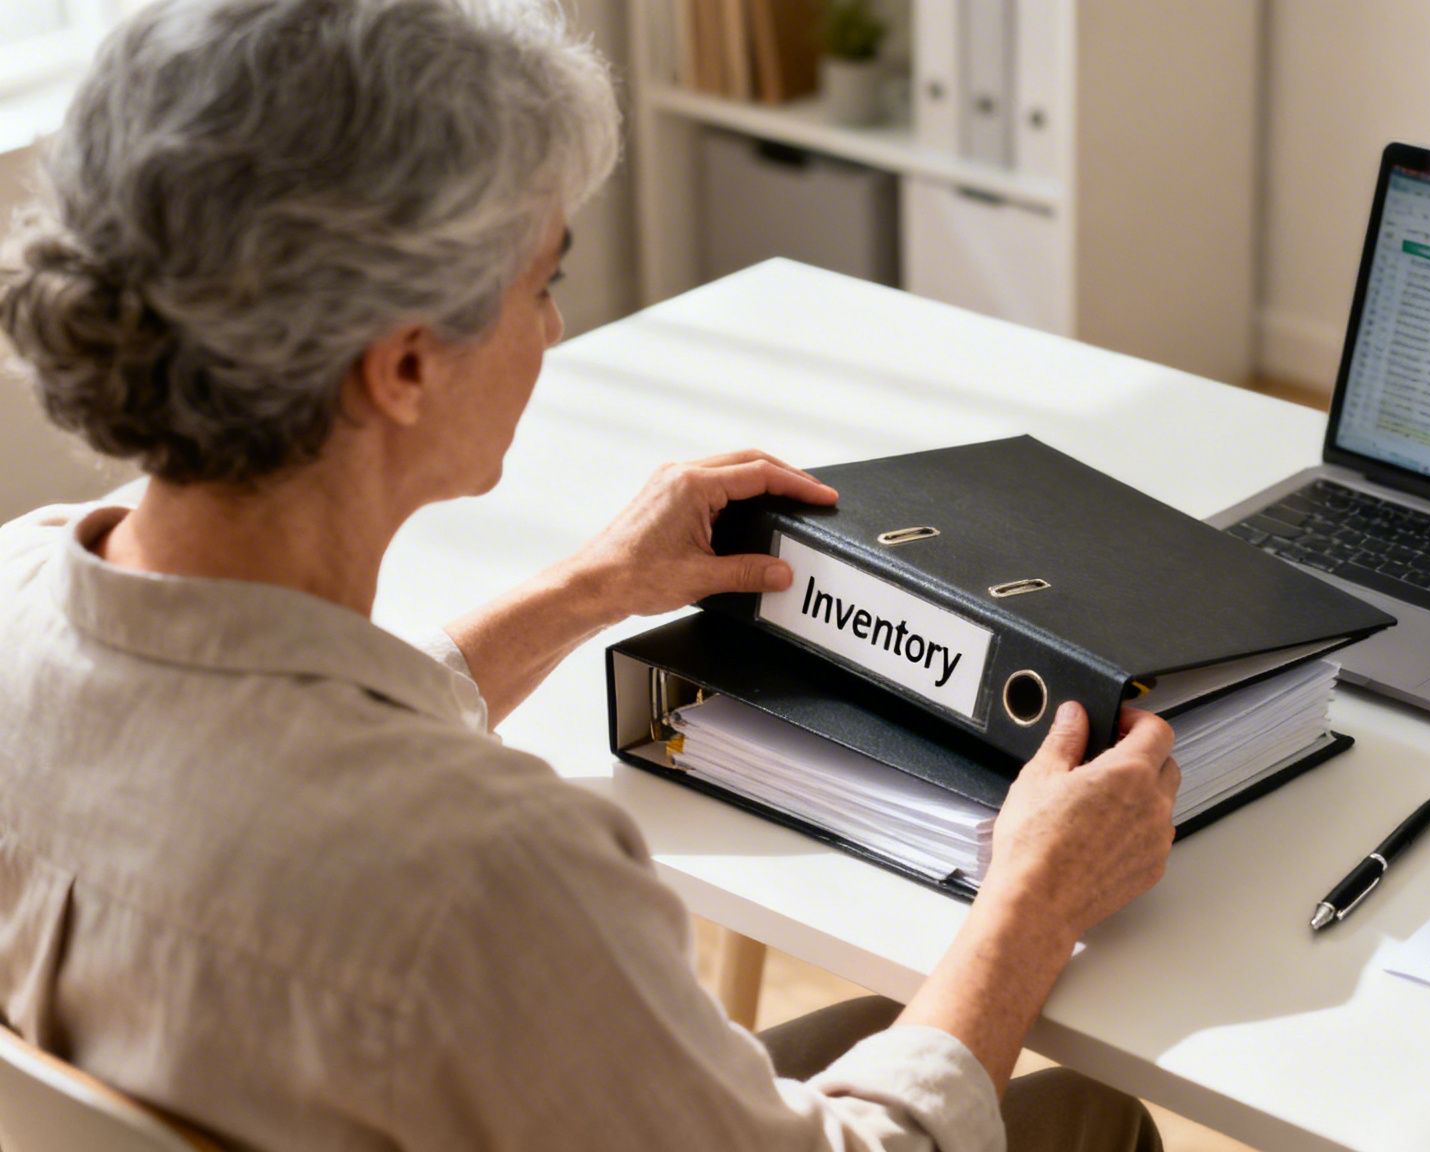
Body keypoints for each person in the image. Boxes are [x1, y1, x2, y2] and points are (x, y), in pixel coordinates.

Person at [0, 1, 1179, 1148]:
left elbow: (263, 737)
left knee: (881, 1020)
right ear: (405, 367)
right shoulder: (482, 879)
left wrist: (589, 587)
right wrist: (1034, 901)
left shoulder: (22, 591)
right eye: (542, 283)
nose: (553, 332)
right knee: (1086, 1114)